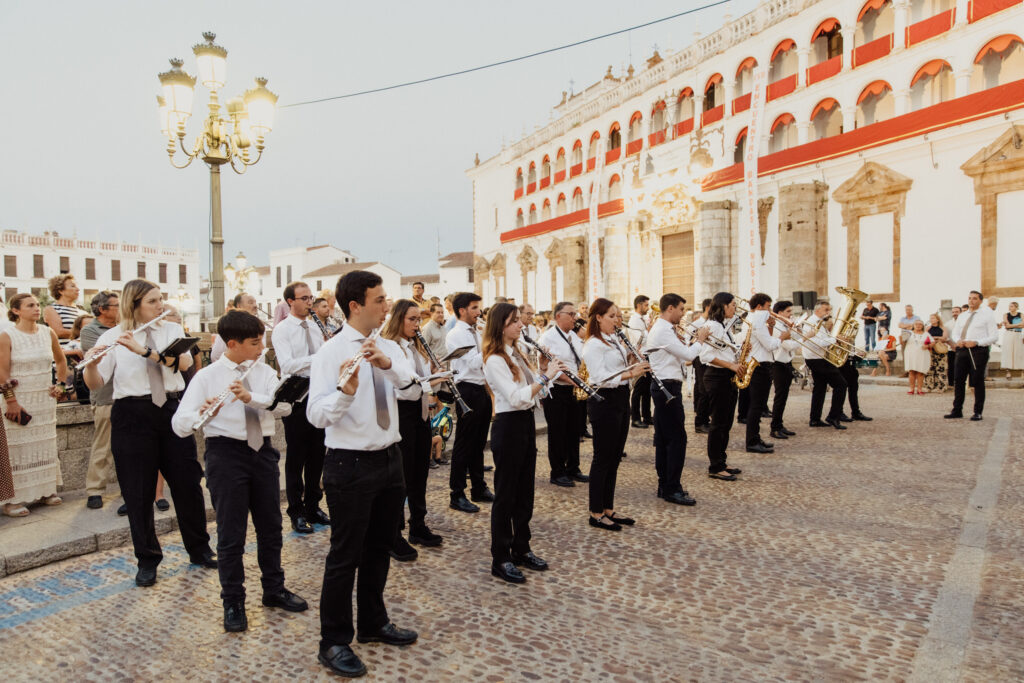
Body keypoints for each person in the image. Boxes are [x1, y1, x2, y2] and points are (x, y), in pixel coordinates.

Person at [308, 270, 419, 678]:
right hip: (349, 463)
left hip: (390, 458)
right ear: (355, 306)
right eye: (379, 299)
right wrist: (345, 392)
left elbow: (412, 390)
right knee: (345, 556)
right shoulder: (330, 353)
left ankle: (373, 622)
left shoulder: (389, 345)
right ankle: (334, 641)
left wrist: (389, 365)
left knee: (379, 549)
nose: (387, 306)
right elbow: (316, 415)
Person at [171, 310, 307, 632]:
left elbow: (285, 406)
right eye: (255, 342)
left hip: (263, 453)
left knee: (271, 528)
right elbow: (179, 425)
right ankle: (233, 600)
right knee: (231, 535)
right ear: (232, 343)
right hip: (226, 455)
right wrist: (201, 414)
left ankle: (273, 589)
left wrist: (253, 399)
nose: (262, 347)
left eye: (262, 340)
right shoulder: (207, 377)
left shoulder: (264, 371)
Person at [81, 279, 215, 586]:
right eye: (153, 301)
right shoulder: (115, 337)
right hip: (132, 414)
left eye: (160, 299)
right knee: (137, 491)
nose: (160, 304)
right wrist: (92, 364)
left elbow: (181, 363)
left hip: (170, 409)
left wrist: (143, 350)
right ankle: (147, 558)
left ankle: (200, 549)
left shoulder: (170, 329)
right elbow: (96, 383)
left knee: (187, 484)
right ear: (135, 304)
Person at [483, 303, 562, 584]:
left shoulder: (518, 353)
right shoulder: (494, 359)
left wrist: (545, 373)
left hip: (525, 423)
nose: (520, 325)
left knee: (525, 492)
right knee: (506, 495)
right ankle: (500, 557)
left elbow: (534, 395)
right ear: (500, 326)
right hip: (508, 426)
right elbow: (516, 397)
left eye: (519, 320)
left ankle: (521, 547)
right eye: (514, 321)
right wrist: (544, 376)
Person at [382, 299, 445, 560]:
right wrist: (426, 380)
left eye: (419, 319)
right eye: (412, 319)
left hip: (420, 412)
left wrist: (432, 372)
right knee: (402, 476)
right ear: (398, 319)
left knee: (420, 471)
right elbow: (402, 384)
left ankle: (418, 525)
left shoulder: (413, 346)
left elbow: (420, 379)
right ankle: (394, 533)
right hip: (402, 413)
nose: (417, 324)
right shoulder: (390, 347)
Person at [1, 294, 68, 517]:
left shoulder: (47, 332)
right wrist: (11, 401)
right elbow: (1, 371)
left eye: (38, 305)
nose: (36, 308)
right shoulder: (7, 335)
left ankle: (45, 491)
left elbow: (61, 360)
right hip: (18, 400)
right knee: (17, 449)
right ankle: (13, 501)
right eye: (30, 305)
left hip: (43, 399)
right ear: (16, 310)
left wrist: (60, 384)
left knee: (45, 445)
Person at [583, 298, 648, 531]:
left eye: (617, 316)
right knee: (602, 457)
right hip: (604, 402)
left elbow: (617, 369)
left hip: (620, 399)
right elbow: (600, 378)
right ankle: (596, 512)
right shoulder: (593, 344)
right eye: (611, 316)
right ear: (598, 317)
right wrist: (632, 374)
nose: (616, 320)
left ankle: (608, 508)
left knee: (615, 457)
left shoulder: (614, 340)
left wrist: (632, 360)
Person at [271, 281, 329, 534]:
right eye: (303, 298)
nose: (309, 302)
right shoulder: (282, 330)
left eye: (310, 298)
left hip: (318, 393)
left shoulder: (318, 326)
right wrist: (320, 358)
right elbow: (288, 364)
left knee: (318, 454)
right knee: (296, 456)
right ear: (290, 302)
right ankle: (295, 510)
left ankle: (313, 505)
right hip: (295, 397)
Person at [645, 293, 709, 505]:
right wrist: (700, 340)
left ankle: (665, 484)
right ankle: (672, 487)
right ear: (670, 308)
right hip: (666, 387)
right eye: (681, 309)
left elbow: (683, 356)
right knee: (676, 439)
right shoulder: (663, 330)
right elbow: (689, 355)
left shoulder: (666, 330)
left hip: (667, 385)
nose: (684, 314)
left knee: (665, 440)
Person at [445, 292, 494, 513]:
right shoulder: (456, 334)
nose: (479, 312)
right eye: (474, 308)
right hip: (466, 389)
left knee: (479, 442)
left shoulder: (475, 332)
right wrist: (490, 341)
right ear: (462, 310)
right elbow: (474, 364)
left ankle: (478, 487)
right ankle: (457, 493)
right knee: (464, 444)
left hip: (480, 388)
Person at [538, 301, 589, 488]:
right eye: (571, 314)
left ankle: (573, 468)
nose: (575, 317)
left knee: (574, 430)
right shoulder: (548, 338)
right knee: (557, 432)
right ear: (558, 316)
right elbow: (553, 367)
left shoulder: (573, 337)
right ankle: (557, 472)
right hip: (557, 390)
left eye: (575, 314)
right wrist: (574, 381)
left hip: (574, 389)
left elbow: (580, 360)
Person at [698, 293, 746, 482]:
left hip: (726, 377)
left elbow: (723, 351)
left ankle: (722, 461)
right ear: (723, 306)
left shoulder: (724, 327)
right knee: (718, 424)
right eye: (733, 305)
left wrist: (740, 352)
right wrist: (732, 365)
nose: (735, 308)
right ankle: (715, 466)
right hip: (717, 377)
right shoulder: (713, 326)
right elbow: (706, 356)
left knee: (726, 423)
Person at [81, 291, 121, 511]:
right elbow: (98, 357)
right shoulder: (90, 331)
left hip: (126, 395)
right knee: (102, 446)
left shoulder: (127, 328)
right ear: (102, 309)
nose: (120, 309)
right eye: (116, 305)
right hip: (105, 395)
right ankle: (95, 490)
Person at [742, 293, 788, 453]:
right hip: (759, 365)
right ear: (760, 307)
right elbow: (769, 345)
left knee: (758, 405)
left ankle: (755, 438)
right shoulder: (757, 319)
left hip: (760, 363)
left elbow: (763, 340)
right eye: (768, 306)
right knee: (756, 406)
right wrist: (782, 337)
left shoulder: (755, 319)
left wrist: (770, 327)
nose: (770, 310)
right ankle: (752, 441)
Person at [946, 290, 999, 421]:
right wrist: (958, 340)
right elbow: (956, 333)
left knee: (977, 381)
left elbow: (994, 336)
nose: (971, 301)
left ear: (980, 301)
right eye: (969, 298)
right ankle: (957, 410)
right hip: (962, 350)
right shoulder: (963, 316)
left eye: (974, 298)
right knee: (958, 380)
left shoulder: (987, 315)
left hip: (978, 351)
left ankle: (978, 412)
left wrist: (976, 342)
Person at [802, 300, 848, 429]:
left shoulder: (821, 323)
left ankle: (815, 419)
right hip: (816, 359)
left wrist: (835, 339)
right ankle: (833, 417)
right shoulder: (811, 323)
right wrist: (835, 339)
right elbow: (814, 342)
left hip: (820, 358)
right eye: (826, 310)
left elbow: (823, 339)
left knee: (820, 388)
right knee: (841, 385)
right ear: (818, 310)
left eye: (829, 310)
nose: (829, 312)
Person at [769, 300, 800, 440]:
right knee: (780, 397)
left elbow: (795, 339)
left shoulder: (784, 324)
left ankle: (779, 424)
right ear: (780, 313)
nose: (790, 314)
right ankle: (775, 428)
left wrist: (798, 331)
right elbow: (788, 345)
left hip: (786, 362)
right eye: (788, 311)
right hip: (778, 363)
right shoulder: (776, 326)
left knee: (784, 397)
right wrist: (804, 340)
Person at [627, 295, 652, 429]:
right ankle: (636, 418)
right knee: (639, 389)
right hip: (640, 356)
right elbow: (639, 339)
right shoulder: (634, 320)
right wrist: (649, 331)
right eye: (646, 305)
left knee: (647, 389)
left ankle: (647, 416)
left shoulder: (642, 320)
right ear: (639, 305)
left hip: (647, 355)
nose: (648, 308)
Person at [43, 274, 83, 353]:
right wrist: (85, 333)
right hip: (64, 355)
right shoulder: (51, 309)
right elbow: (58, 332)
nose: (78, 289)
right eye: (72, 286)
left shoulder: (81, 310)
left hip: (82, 355)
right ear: (61, 291)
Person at [691, 299, 713, 434]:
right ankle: (700, 422)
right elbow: (690, 340)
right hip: (699, 358)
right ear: (708, 307)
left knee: (705, 390)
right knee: (703, 389)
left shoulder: (711, 323)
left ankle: (705, 418)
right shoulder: (697, 323)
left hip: (707, 358)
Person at [904, 320, 933, 395]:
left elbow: (933, 342)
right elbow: (902, 341)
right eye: (916, 324)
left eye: (920, 324)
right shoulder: (909, 333)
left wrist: (928, 346)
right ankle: (911, 388)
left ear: (923, 326)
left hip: (922, 354)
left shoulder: (926, 334)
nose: (918, 325)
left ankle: (919, 389)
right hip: (911, 354)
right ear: (913, 325)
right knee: (911, 371)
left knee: (920, 371)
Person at [924, 313, 950, 393]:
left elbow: (944, 338)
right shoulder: (928, 328)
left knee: (941, 368)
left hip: (940, 349)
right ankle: (929, 386)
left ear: (937, 319)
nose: (931, 320)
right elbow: (925, 337)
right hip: (930, 350)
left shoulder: (943, 328)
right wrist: (935, 338)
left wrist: (935, 338)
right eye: (930, 318)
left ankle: (942, 386)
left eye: (933, 318)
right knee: (930, 368)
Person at [1000, 302, 1023, 379]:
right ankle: (1008, 372)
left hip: (1018, 334)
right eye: (1009, 306)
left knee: (1019, 352)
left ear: (1016, 307)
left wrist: (1012, 325)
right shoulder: (1006, 315)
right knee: (1008, 351)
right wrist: (1018, 325)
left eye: (1012, 306)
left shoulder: (1021, 314)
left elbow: (1023, 324)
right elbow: (1007, 325)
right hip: (1009, 334)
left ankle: (1022, 371)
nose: (1010, 308)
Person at [947, 307, 961, 386]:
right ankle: (951, 383)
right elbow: (946, 336)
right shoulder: (948, 324)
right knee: (951, 366)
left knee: (961, 366)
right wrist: (952, 345)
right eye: (953, 312)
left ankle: (960, 382)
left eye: (957, 312)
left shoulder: (964, 323)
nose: (955, 313)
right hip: (951, 348)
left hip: (962, 347)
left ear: (960, 312)